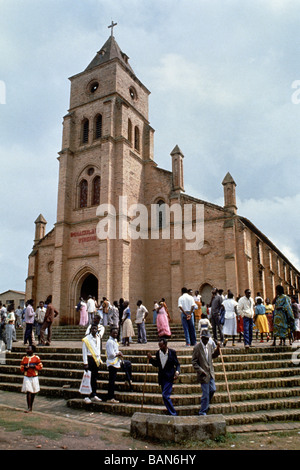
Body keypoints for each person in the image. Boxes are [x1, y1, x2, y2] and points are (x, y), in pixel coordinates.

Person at [147, 338, 180, 416]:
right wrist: (151, 359)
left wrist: (177, 372)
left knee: (165, 395)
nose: (160, 348)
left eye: (161, 346)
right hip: (162, 377)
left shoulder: (172, 352)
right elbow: (157, 364)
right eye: (159, 346)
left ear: (165, 345)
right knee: (165, 396)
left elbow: (177, 364)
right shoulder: (158, 353)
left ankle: (173, 413)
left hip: (169, 377)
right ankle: (170, 411)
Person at [192, 330, 221, 415]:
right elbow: (194, 362)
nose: (207, 341)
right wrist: (200, 371)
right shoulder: (197, 348)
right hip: (203, 374)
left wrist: (218, 350)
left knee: (213, 389)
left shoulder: (209, 346)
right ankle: (202, 411)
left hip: (210, 372)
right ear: (202, 338)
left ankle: (205, 405)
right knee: (205, 394)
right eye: (205, 339)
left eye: (208, 339)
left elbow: (213, 356)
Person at [105, 327, 132, 403]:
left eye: (116, 333)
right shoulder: (110, 342)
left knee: (128, 364)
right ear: (110, 333)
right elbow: (110, 354)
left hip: (117, 361)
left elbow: (116, 351)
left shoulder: (115, 341)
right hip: (112, 363)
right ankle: (110, 397)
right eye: (114, 333)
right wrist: (117, 354)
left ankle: (128, 379)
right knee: (112, 381)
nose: (115, 334)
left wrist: (119, 352)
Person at [82, 323, 103, 403]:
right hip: (89, 359)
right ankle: (85, 396)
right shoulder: (86, 339)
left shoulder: (98, 338)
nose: (94, 330)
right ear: (90, 330)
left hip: (96, 360)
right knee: (87, 378)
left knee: (94, 378)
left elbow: (99, 350)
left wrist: (99, 359)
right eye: (93, 328)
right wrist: (85, 363)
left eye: (96, 329)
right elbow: (84, 351)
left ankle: (94, 394)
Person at [20, 344, 43, 413]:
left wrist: (35, 367)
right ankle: (29, 407)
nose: (27, 350)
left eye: (28, 349)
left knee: (33, 392)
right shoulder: (24, 358)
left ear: (32, 350)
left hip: (34, 376)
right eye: (27, 349)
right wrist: (25, 368)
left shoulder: (36, 358)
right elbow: (21, 367)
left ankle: (31, 406)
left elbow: (40, 366)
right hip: (27, 376)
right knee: (28, 391)